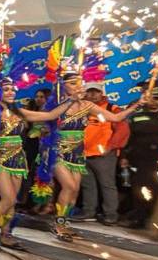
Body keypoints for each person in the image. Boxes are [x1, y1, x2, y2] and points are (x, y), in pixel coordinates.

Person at [42, 60, 140, 241]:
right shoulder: (58, 105)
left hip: (77, 154)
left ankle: (64, 223)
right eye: (73, 83)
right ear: (63, 86)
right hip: (59, 151)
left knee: (74, 192)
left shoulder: (88, 106)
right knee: (69, 186)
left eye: (79, 83)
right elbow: (43, 123)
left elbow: (115, 118)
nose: (78, 86)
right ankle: (58, 224)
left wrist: (136, 105)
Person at [0, 76, 72, 250]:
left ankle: (6, 234)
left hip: (18, 159)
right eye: (6, 90)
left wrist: (71, 100)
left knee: (13, 201)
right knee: (8, 198)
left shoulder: (20, 112)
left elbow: (51, 115)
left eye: (12, 89)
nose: (11, 92)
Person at [75, 83, 127, 225]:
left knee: (107, 185)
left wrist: (111, 147)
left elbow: (123, 130)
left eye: (96, 92)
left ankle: (111, 215)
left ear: (102, 93)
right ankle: (88, 212)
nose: (92, 95)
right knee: (87, 185)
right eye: (89, 92)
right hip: (83, 153)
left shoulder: (112, 108)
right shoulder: (80, 108)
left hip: (104, 155)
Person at [119, 81, 158, 228]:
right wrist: (124, 156)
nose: (154, 101)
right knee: (139, 190)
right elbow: (127, 137)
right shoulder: (136, 114)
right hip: (139, 161)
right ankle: (139, 218)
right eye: (151, 97)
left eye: (157, 98)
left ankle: (156, 219)